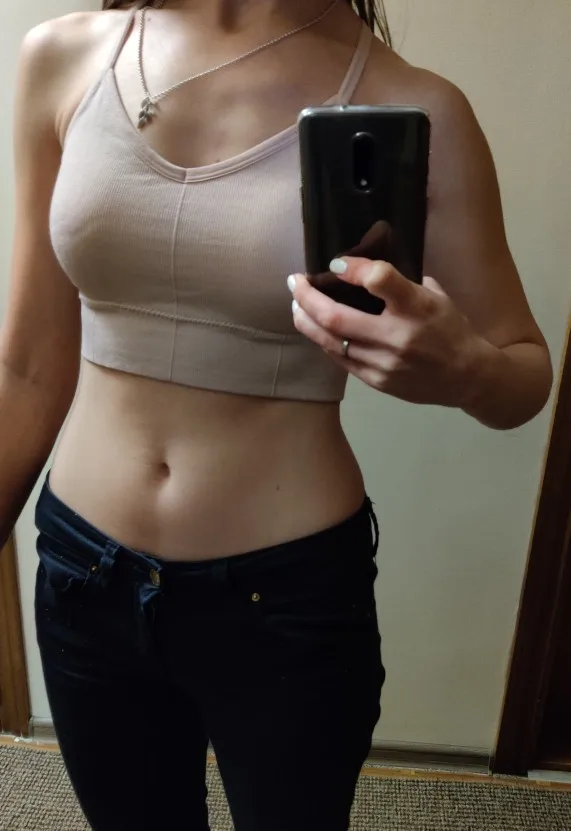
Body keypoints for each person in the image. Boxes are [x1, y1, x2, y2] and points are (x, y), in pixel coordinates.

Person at [0, 0, 552, 829]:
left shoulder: (416, 104)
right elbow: (25, 366)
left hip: (287, 594)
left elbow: (523, 370)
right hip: (84, 575)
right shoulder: (64, 57)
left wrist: (464, 369)